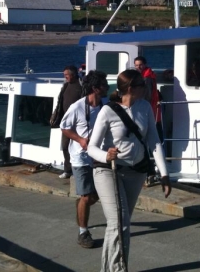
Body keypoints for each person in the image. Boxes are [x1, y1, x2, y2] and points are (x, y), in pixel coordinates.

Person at [88, 69, 171, 272]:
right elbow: (91, 147)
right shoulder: (107, 111)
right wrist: (106, 155)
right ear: (132, 88)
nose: (148, 87)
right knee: (120, 223)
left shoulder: (144, 107)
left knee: (118, 225)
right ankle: (118, 269)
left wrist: (164, 174)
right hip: (109, 170)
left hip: (136, 172)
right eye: (143, 84)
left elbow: (154, 140)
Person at [60, 70, 109, 248]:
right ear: (95, 89)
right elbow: (64, 127)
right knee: (87, 197)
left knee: (94, 196)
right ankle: (83, 233)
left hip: (99, 156)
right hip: (80, 158)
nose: (107, 87)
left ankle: (82, 203)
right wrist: (80, 140)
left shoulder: (106, 106)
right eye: (104, 85)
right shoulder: (77, 107)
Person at [56, 65, 83, 179]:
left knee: (78, 147)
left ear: (73, 75)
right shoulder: (66, 86)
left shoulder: (80, 87)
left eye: (67, 75)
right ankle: (67, 170)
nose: (65, 77)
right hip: (66, 123)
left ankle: (78, 170)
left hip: (77, 124)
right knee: (65, 146)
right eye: (64, 75)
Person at [133, 56, 162, 126]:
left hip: (148, 105)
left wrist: (141, 105)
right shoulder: (148, 74)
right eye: (136, 65)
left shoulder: (147, 77)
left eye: (140, 65)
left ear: (145, 65)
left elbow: (147, 93)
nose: (138, 67)